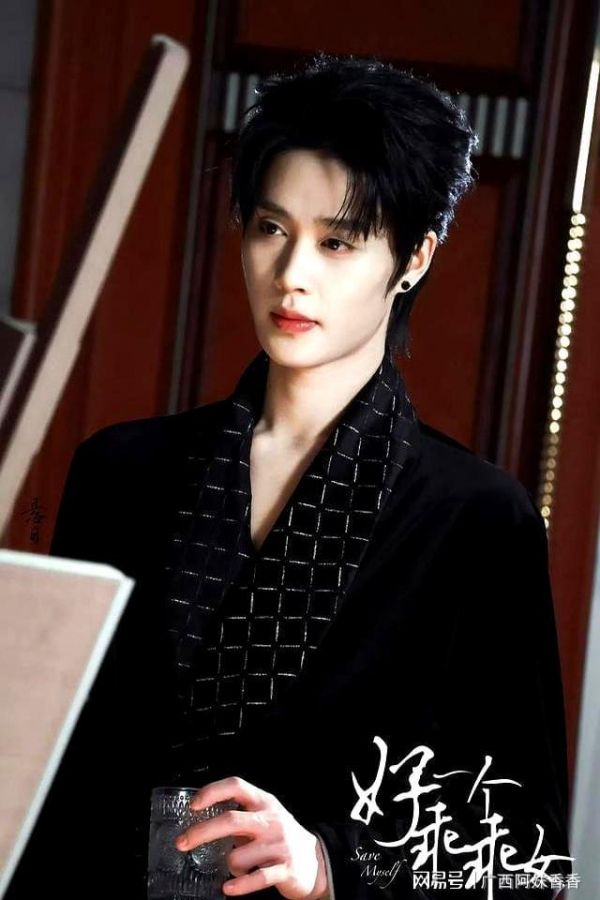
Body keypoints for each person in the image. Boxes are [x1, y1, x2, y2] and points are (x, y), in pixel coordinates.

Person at [7, 53, 572, 899]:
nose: (291, 274)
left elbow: (528, 858)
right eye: (271, 229)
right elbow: (54, 774)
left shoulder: (479, 519)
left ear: (414, 257)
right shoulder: (121, 469)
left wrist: (327, 863)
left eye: (337, 242)